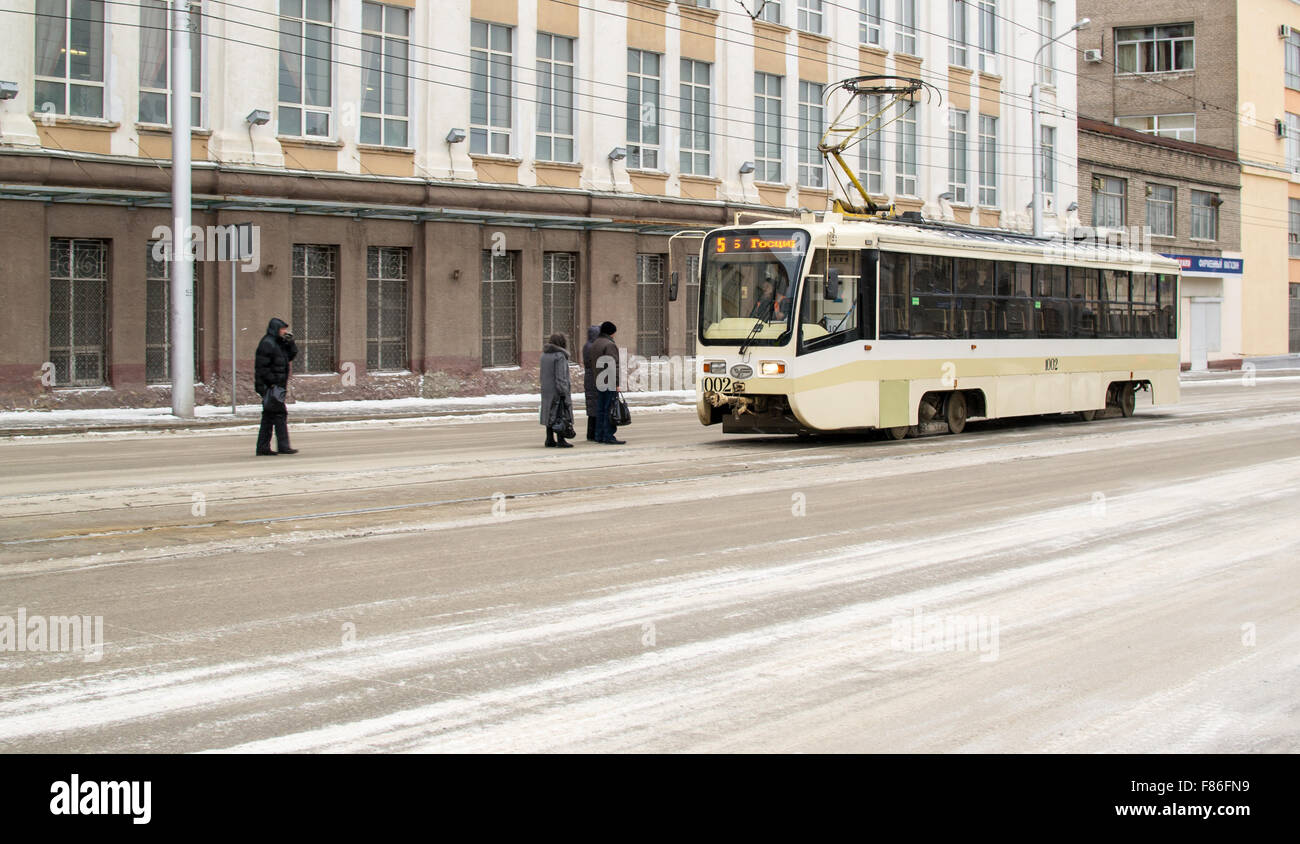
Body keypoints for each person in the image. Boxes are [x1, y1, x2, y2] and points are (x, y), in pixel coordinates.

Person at [253, 317, 299, 456]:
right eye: (282, 329)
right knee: (279, 415)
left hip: (276, 386)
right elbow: (262, 367)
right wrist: (272, 383)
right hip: (271, 387)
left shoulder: (278, 343)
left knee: (269, 417)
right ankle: (282, 446)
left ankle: (263, 447)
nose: (284, 331)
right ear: (275, 329)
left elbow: (289, 357)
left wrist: (291, 343)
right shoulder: (267, 343)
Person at [589, 320, 625, 445]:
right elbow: (612, 365)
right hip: (608, 381)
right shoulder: (609, 345)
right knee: (610, 408)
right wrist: (616, 383)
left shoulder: (595, 343)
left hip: (599, 380)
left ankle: (599, 435)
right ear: (611, 332)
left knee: (601, 409)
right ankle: (608, 435)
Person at [540, 333, 574, 448]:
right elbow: (561, 376)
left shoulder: (544, 355)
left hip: (546, 389)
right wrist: (563, 392)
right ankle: (561, 439)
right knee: (560, 413)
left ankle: (549, 439)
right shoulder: (560, 356)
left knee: (550, 413)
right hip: (557, 389)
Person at [581, 324, 600, 441]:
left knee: (591, 406)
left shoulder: (586, 346)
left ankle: (590, 432)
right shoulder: (595, 347)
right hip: (596, 377)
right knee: (596, 406)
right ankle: (594, 433)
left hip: (588, 378)